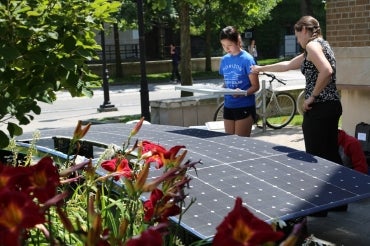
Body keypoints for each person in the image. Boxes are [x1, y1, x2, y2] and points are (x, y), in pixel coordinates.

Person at [251, 16, 342, 165]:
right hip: (331, 105)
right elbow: (287, 65)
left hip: (320, 108)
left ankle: (329, 187)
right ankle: (344, 186)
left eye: (298, 36)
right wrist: (260, 68)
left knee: (318, 157)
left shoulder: (312, 46)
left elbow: (326, 70)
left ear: (305, 30)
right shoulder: (321, 45)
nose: (298, 41)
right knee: (330, 156)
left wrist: (312, 97)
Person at [219, 26, 260, 137]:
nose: (227, 49)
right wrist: (221, 89)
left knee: (240, 145)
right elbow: (226, 82)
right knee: (228, 144)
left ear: (238, 41)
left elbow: (256, 86)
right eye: (223, 45)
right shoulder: (224, 60)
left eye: (229, 45)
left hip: (244, 106)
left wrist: (243, 92)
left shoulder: (247, 59)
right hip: (228, 106)